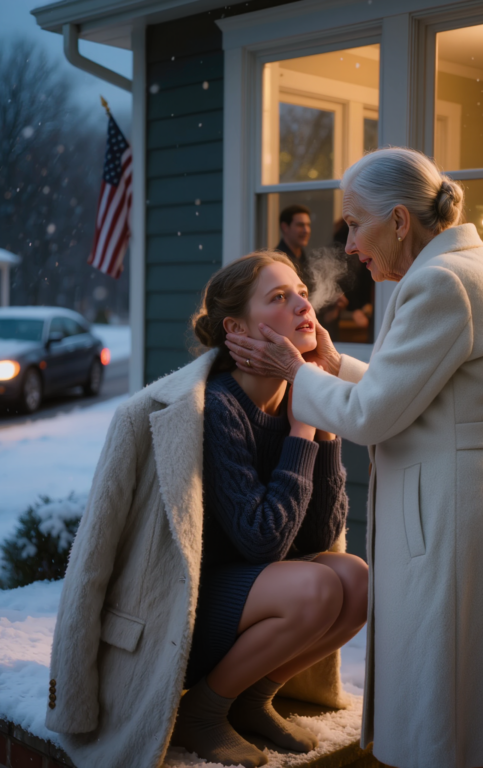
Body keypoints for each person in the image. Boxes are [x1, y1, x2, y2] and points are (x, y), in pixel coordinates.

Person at [226, 147, 483, 768]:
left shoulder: (441, 282)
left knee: (447, 703)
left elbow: (373, 415)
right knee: (468, 698)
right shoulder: (463, 268)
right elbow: (419, 391)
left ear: (399, 220)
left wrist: (295, 370)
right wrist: (331, 363)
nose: (348, 246)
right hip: (471, 497)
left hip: (452, 508)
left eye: (354, 224)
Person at [45, 251, 367, 768]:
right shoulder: (217, 408)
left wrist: (321, 423)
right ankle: (204, 711)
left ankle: (251, 699)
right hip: (185, 616)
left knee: (356, 580)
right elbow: (263, 540)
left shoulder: (292, 399)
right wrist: (303, 428)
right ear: (236, 328)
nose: (303, 306)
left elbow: (316, 538)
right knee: (319, 587)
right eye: (279, 297)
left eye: (303, 293)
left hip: (252, 603)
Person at [276, 204, 314, 288]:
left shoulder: (304, 259)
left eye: (308, 225)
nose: (306, 230)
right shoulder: (277, 261)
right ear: (285, 227)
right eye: (300, 225)